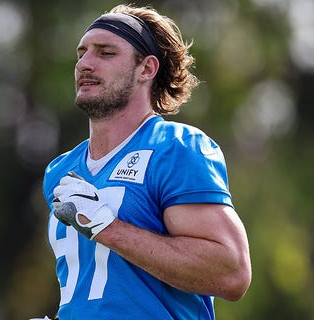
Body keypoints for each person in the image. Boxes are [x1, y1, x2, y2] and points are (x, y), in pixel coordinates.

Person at [40, 4, 251, 320]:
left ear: (146, 69)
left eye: (105, 53)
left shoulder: (175, 148)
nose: (85, 63)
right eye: (81, 53)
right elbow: (106, 290)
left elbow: (231, 273)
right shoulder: (60, 172)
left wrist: (107, 228)